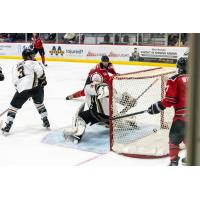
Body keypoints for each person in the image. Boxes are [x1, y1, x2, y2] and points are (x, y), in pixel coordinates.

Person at [147, 57, 188, 166]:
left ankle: (174, 161)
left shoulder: (174, 79)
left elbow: (170, 99)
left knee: (174, 139)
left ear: (179, 68)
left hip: (182, 117)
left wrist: (157, 107)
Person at [1, 49, 50, 135]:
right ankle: (45, 120)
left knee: (13, 107)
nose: (34, 57)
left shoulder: (16, 65)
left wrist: (19, 88)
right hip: (37, 88)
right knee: (39, 104)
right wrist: (43, 80)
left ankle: (8, 125)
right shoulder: (33, 62)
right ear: (28, 56)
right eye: (32, 55)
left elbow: (15, 80)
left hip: (23, 88)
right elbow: (40, 71)